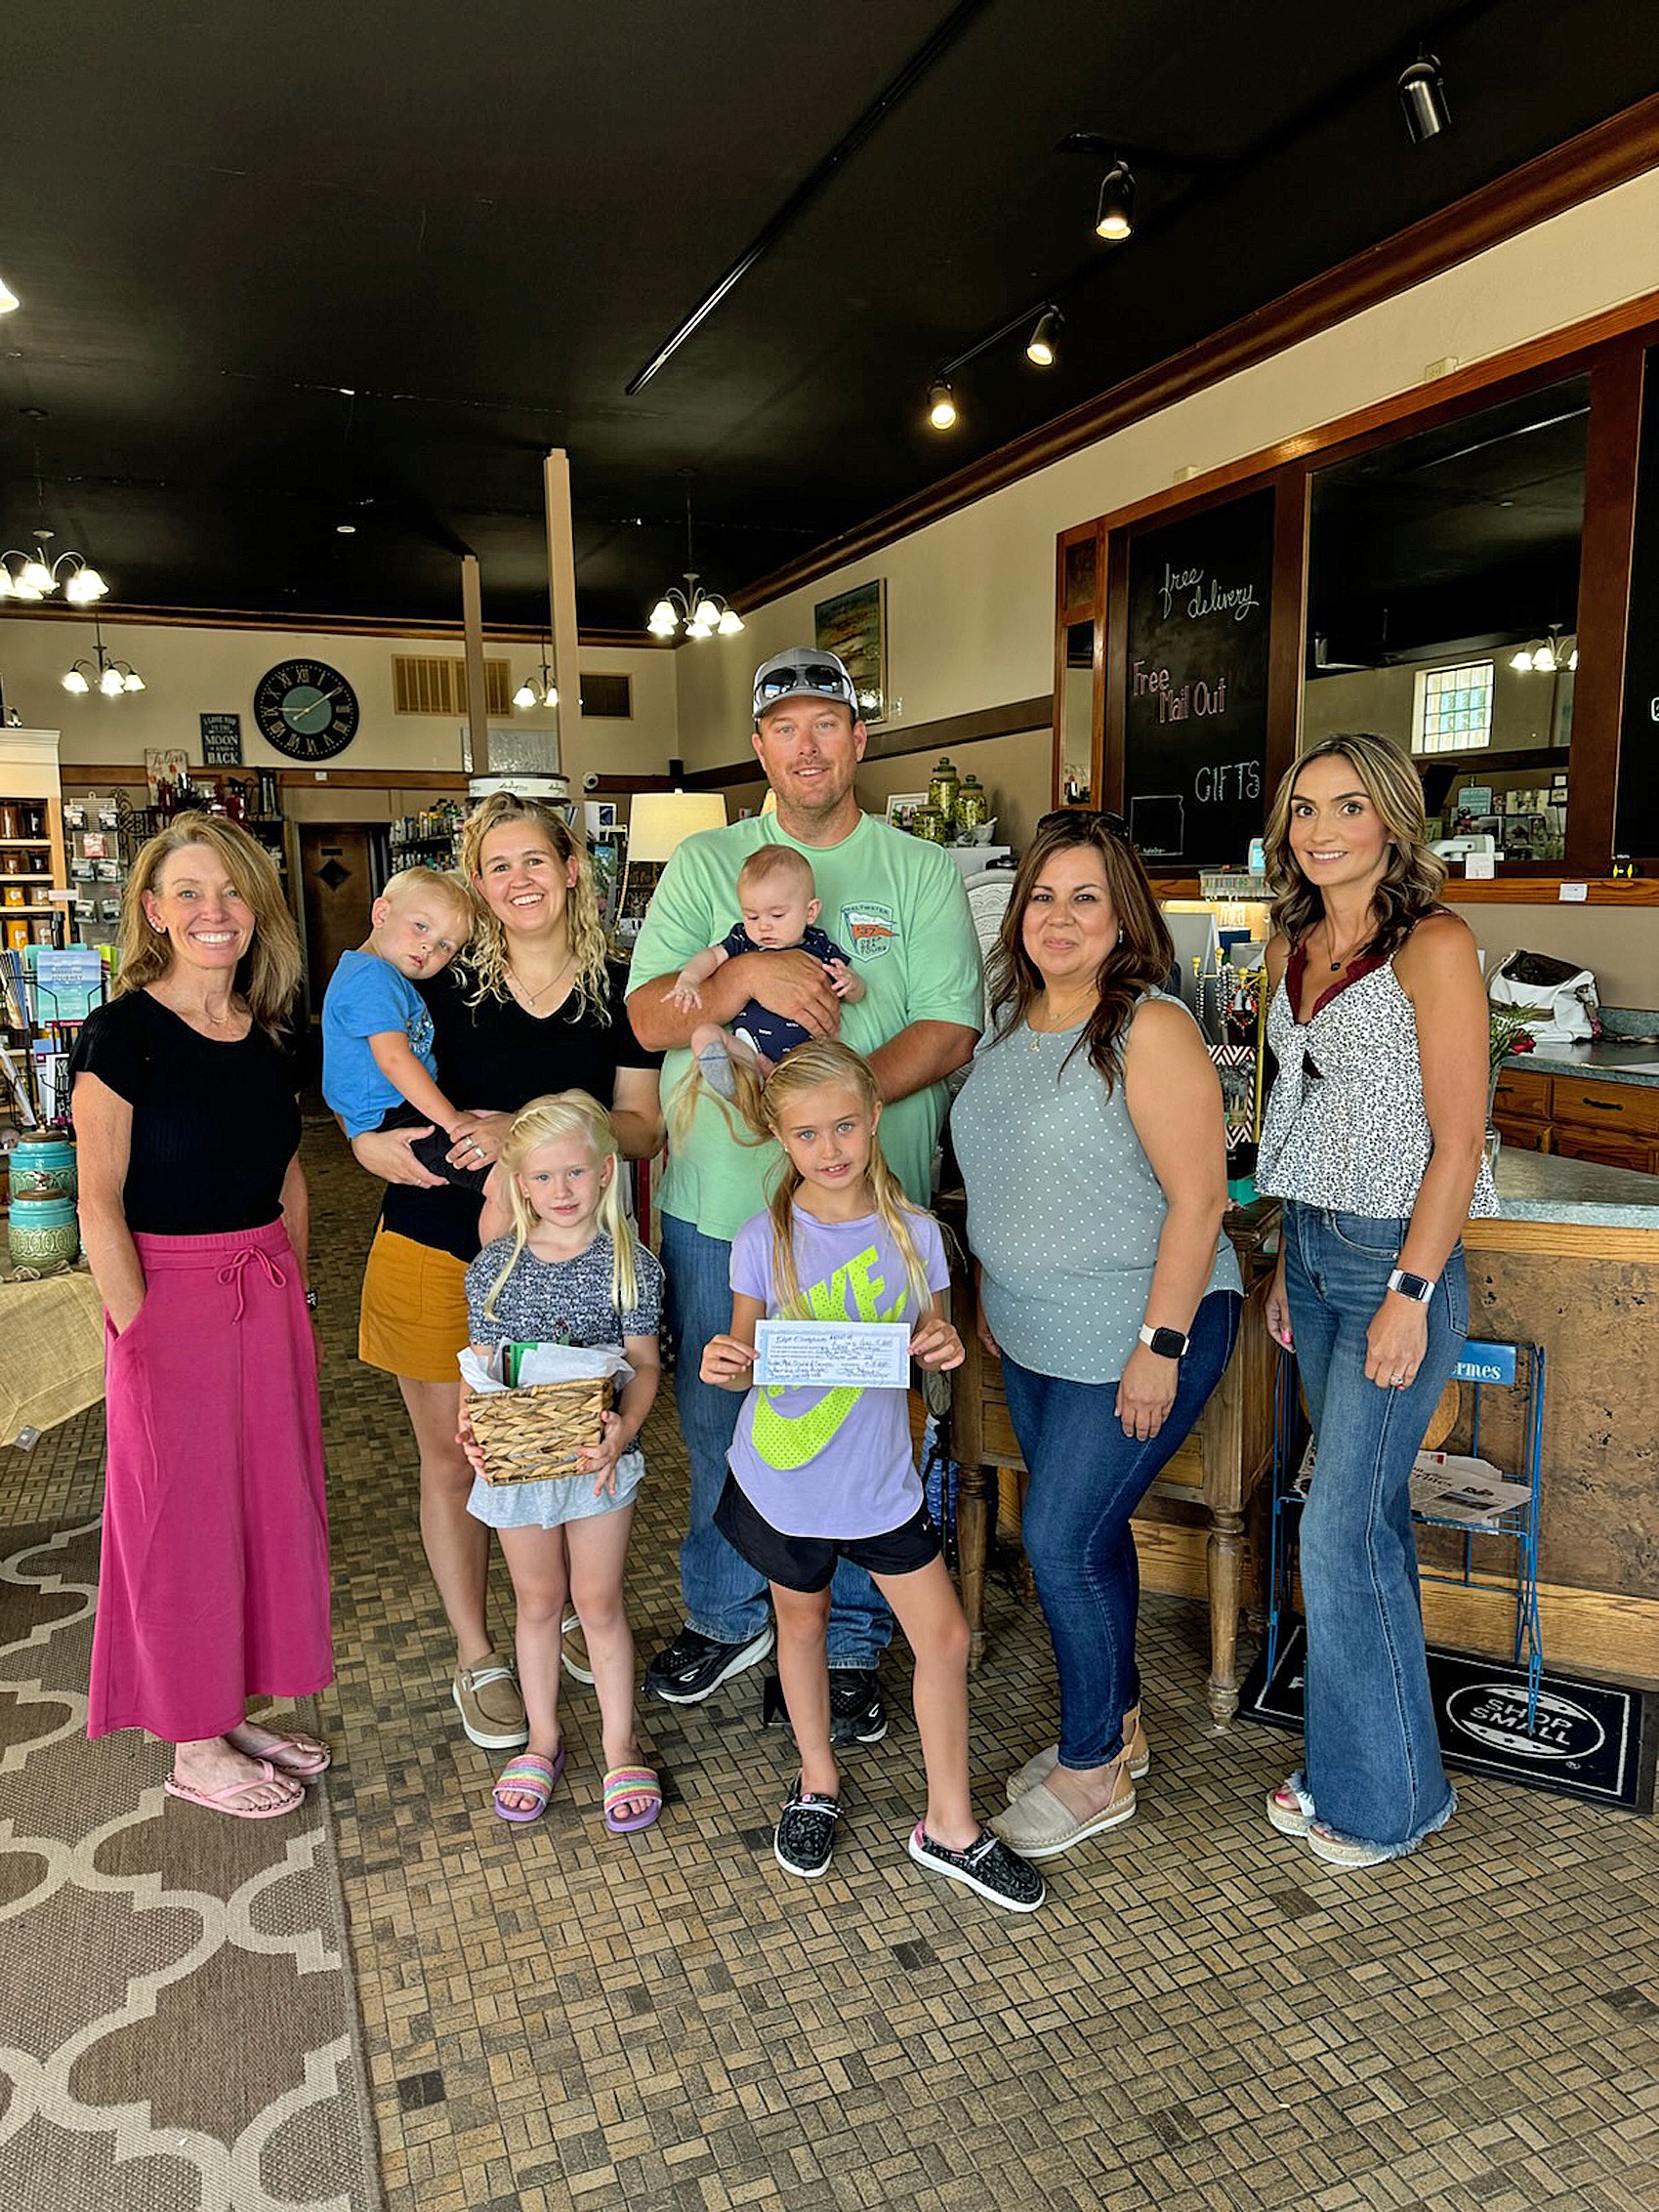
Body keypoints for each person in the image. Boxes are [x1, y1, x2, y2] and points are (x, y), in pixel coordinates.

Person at [628, 647, 982, 1736]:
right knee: (721, 1409)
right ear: (759, 747)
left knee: (870, 1422)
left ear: (858, 740)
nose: (808, 744)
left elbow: (951, 1024)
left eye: (828, 723)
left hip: (866, 1211)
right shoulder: (705, 865)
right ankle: (732, 1611)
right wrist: (736, 977)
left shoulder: (917, 868)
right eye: (786, 727)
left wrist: (822, 1113)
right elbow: (647, 1018)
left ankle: (852, 1642)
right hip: (722, 1207)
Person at [950, 811, 1243, 1860]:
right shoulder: (1003, 1020)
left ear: (1124, 915)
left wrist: (1158, 1346)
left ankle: (1090, 1773)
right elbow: (1004, 1176)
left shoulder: (1145, 1027)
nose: (1059, 916)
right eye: (1042, 895)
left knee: (1064, 1544)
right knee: (1090, 1534)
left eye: (1085, 896)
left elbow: (1200, 1200)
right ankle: (1116, 1729)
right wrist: (991, 1291)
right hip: (1030, 1332)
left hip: (1143, 1326)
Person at [699, 1040, 1043, 1911]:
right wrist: (727, 1362)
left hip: (879, 1481)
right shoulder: (761, 1238)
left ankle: (950, 1823)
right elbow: (746, 1356)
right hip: (783, 1476)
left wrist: (947, 1344)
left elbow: (933, 1348)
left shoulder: (915, 1234)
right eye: (807, 1132)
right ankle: (816, 1779)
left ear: (874, 1117)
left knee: (946, 1639)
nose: (830, 1147)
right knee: (801, 1628)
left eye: (844, 1124)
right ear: (779, 1137)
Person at [353, 793, 663, 1754]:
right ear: (476, 886)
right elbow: (365, 1091)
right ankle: (477, 1649)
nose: (519, 880)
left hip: (569, 1264)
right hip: (433, 1240)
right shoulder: (441, 985)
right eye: (497, 866)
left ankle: (562, 1607)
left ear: (573, 867)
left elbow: (645, 1127)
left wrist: (533, 1128)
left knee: (566, 1445)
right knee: (453, 1459)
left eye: (536, 859)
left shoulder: (622, 986)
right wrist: (370, 1149)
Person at [1256, 732, 1495, 1868]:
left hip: (1394, 1262)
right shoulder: (1293, 939)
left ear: (1393, 820)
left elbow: (1459, 1140)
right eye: (1304, 809)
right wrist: (1279, 1259)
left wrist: (1411, 1288)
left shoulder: (1435, 944)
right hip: (1311, 1251)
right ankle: (1377, 1763)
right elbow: (1297, 1111)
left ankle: (1386, 1801)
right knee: (1360, 1528)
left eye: (1348, 807)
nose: (1322, 828)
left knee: (1338, 1532)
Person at [71, 813, 331, 1818]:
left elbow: (289, 1177)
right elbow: (99, 1201)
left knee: (260, 1508)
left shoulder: (266, 1036)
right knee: (178, 1523)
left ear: (255, 910)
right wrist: (138, 1335)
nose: (212, 912)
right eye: (187, 893)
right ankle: (188, 1739)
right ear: (152, 912)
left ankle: (223, 1708)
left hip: (262, 1294)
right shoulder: (122, 1032)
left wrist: (291, 1291)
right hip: (166, 1298)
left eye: (229, 892)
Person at [458, 1092, 664, 1831]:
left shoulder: (629, 1265)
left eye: (574, 1173)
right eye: (542, 1178)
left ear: (606, 1172)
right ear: (519, 1184)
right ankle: (543, 1736)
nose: (561, 1192)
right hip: (519, 1468)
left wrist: (625, 1429)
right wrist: (469, 1426)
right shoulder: (493, 1271)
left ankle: (619, 1743)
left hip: (597, 1460)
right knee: (538, 1601)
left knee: (599, 1603)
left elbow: (643, 1364)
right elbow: (480, 1369)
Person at [321, 864, 488, 1189]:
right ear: (381, 913)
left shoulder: (368, 971)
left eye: (445, 946)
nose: (429, 947)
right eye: (421, 926)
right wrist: (452, 1120)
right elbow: (394, 1059)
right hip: (395, 1114)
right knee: (500, 1181)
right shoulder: (374, 978)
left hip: (385, 1114)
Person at [668, 843, 863, 1100]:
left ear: (811, 912)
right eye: (752, 916)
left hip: (805, 1059)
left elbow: (855, 994)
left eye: (777, 915)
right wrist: (690, 978)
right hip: (749, 1049)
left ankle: (773, 1094)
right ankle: (737, 1087)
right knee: (705, 1035)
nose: (764, 928)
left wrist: (851, 983)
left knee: (833, 1071)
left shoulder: (821, 948)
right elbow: (712, 956)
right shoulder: (744, 941)